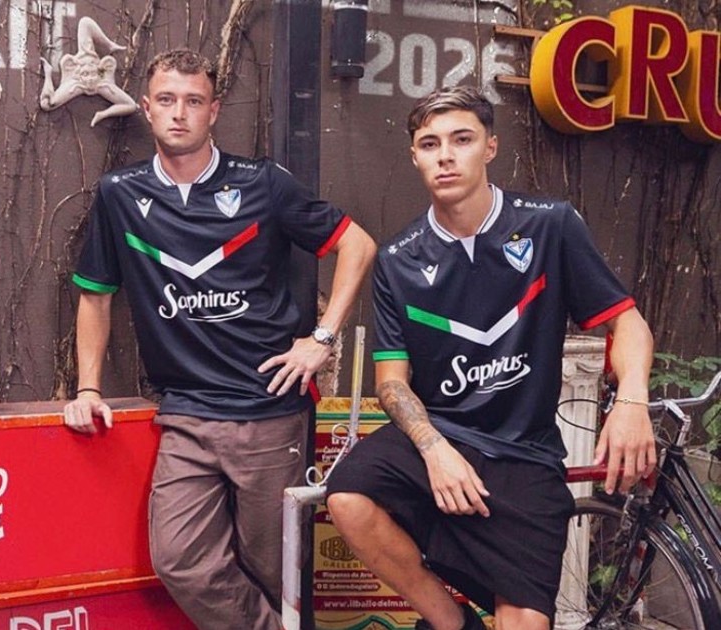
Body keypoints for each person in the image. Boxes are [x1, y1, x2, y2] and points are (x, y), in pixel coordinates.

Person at [62, 49, 376, 630]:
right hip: (185, 413)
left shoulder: (262, 183)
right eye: (166, 100)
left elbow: (356, 244)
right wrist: (87, 388)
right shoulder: (120, 193)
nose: (178, 113)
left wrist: (323, 337)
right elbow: (95, 295)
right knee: (179, 560)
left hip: (267, 412)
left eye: (193, 101)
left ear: (214, 110)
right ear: (147, 109)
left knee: (274, 568)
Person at [325, 86, 656, 630]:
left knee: (525, 622)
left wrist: (632, 403)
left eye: (462, 140)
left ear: (491, 147)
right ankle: (452, 623)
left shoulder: (550, 224)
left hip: (525, 455)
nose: (445, 156)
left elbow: (628, 322)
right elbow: (391, 383)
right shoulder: (397, 260)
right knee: (348, 497)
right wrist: (434, 449)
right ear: (414, 156)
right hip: (443, 438)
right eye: (430, 144)